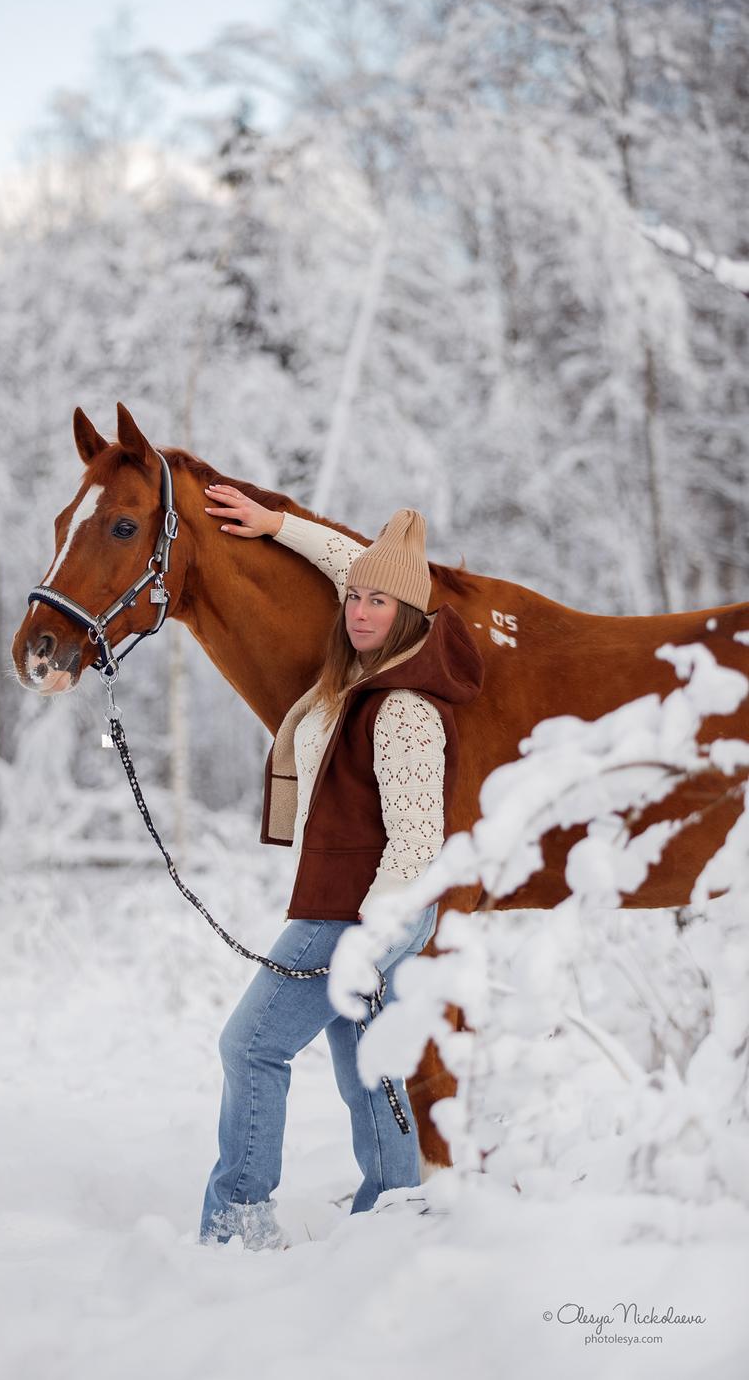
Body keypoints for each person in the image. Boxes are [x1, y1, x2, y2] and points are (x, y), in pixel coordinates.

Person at [197, 484, 485, 1250]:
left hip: (358, 913)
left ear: (411, 615)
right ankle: (395, 1210)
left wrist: (368, 944)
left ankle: (237, 1225)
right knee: (370, 1063)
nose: (359, 609)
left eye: (379, 603)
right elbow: (353, 566)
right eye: (354, 598)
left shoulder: (403, 710)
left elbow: (418, 842)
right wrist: (276, 525)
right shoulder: (372, 674)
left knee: (251, 1046)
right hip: (354, 907)